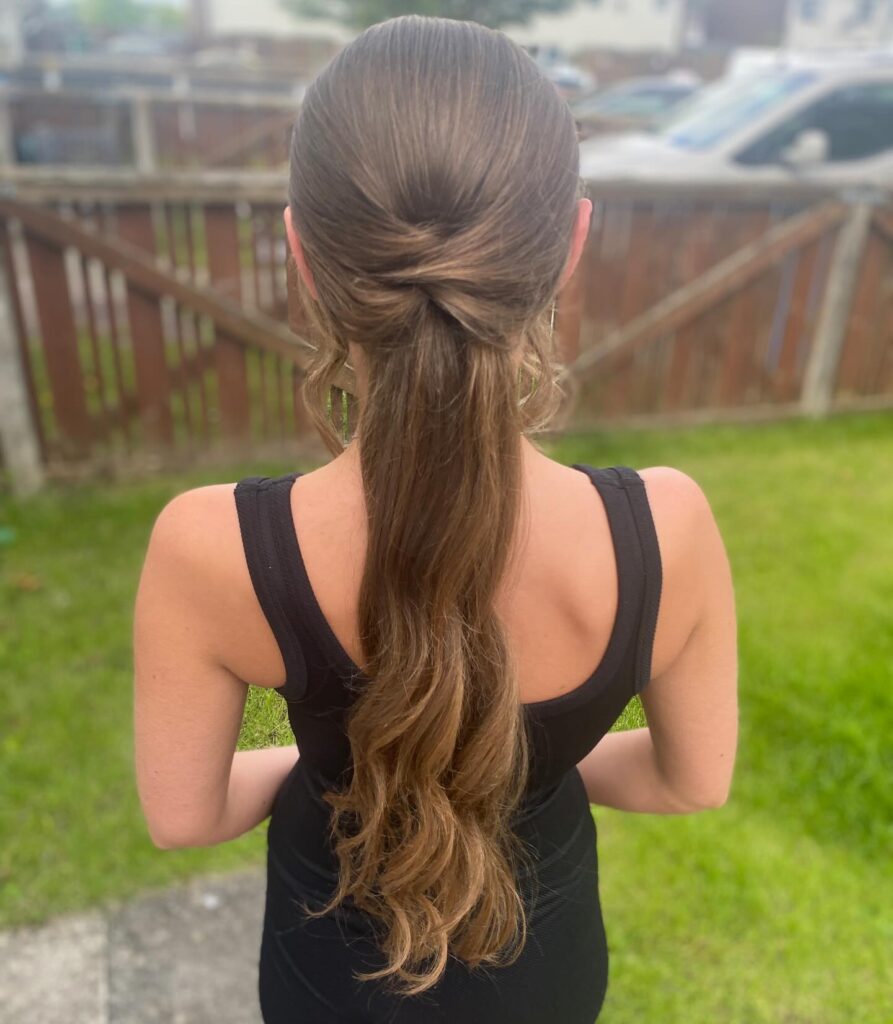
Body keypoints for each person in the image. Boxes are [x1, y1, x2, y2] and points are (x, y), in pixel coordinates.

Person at [133, 14, 738, 1024]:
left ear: (303, 254)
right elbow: (690, 780)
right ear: (568, 245)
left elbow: (185, 815)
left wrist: (364, 756)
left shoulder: (211, 548)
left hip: (328, 986)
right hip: (544, 983)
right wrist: (495, 757)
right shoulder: (663, 530)